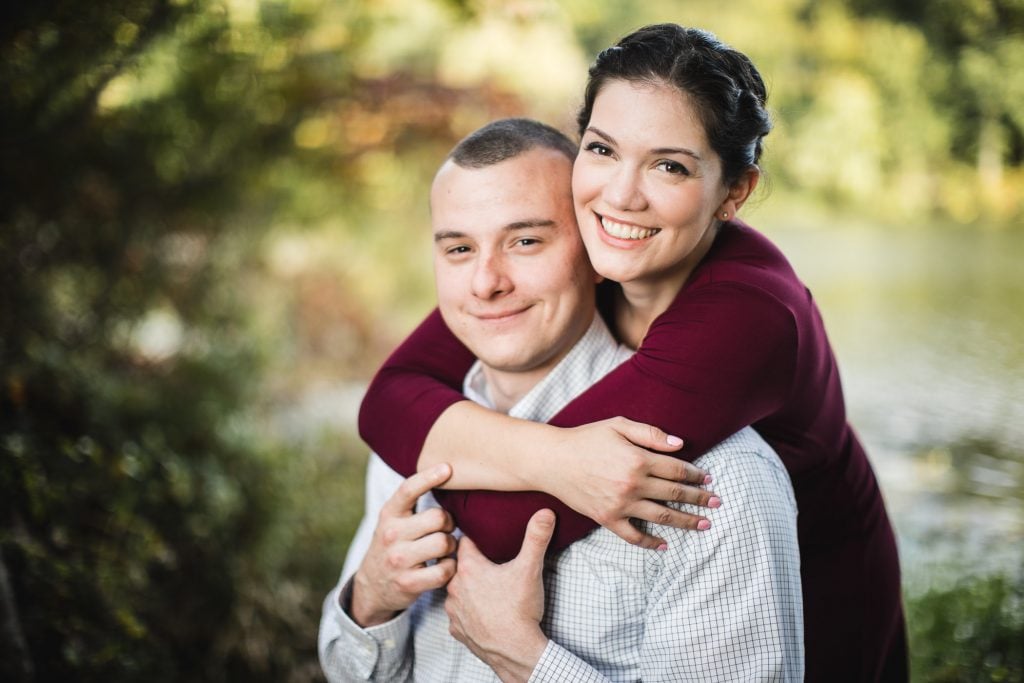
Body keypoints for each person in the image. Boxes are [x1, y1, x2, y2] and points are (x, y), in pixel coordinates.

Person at [357, 25, 908, 682]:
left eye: (669, 165)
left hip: (811, 594)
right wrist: (559, 456)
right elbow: (390, 398)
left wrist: (424, 492)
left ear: (734, 192)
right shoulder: (575, 256)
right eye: (602, 149)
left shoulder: (752, 317)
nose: (620, 195)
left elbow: (508, 524)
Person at [320, 118, 803, 681]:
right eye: (458, 249)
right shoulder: (411, 449)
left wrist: (529, 662)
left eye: (525, 242)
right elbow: (343, 667)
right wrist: (370, 601)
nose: (485, 283)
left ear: (597, 251)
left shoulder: (716, 481)